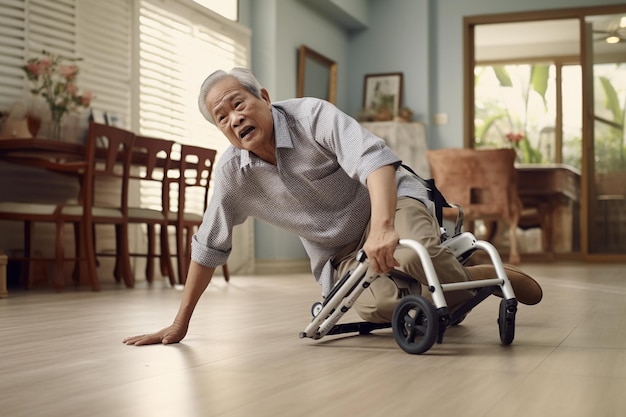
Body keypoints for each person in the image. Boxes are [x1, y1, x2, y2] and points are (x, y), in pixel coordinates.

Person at [123, 68, 542, 346]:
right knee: (378, 308)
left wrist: (381, 227)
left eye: (238, 103)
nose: (233, 118)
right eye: (221, 117)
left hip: (390, 201)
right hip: (341, 253)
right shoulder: (235, 173)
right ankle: (477, 278)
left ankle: (458, 275)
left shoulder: (311, 116)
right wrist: (181, 324)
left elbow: (375, 161)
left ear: (264, 98)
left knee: (408, 250)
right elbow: (208, 245)